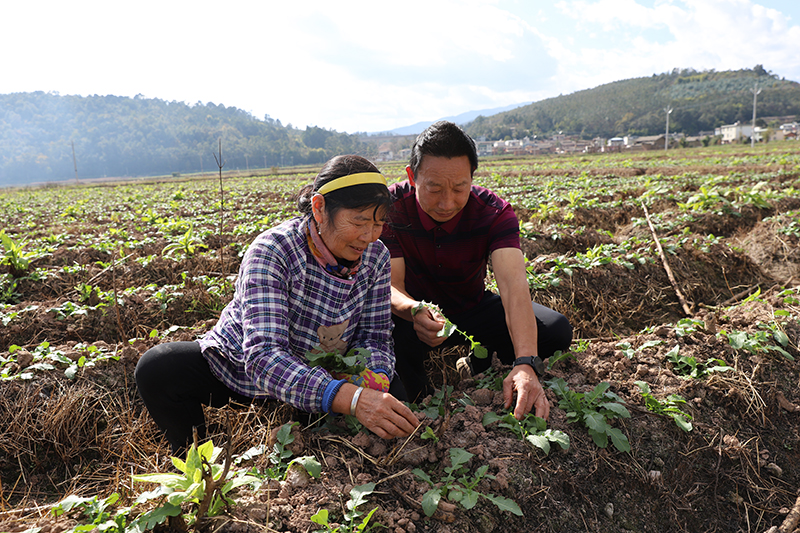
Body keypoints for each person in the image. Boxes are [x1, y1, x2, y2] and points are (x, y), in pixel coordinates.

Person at [136, 155, 419, 454]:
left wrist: (372, 380)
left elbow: (374, 336)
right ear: (320, 209)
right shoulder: (274, 250)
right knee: (158, 369)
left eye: (377, 223)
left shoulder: (376, 256)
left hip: (324, 371)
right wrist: (349, 398)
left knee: (395, 399)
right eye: (359, 221)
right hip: (245, 369)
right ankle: (197, 465)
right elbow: (263, 357)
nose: (369, 235)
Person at [381, 121, 573, 420]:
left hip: (470, 309)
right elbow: (391, 286)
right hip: (413, 316)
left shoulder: (493, 213)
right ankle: (420, 404)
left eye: (460, 188)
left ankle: (481, 366)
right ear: (412, 176)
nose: (447, 202)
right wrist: (414, 310)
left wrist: (526, 362)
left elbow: (512, 288)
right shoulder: (390, 208)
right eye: (434, 188)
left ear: (472, 177)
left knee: (554, 331)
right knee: (390, 338)